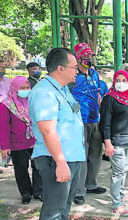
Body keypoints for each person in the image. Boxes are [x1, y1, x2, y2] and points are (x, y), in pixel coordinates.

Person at [29, 48, 86, 219]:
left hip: (72, 157)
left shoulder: (62, 89)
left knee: (63, 209)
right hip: (55, 159)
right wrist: (60, 162)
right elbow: (47, 130)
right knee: (54, 211)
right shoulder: (44, 92)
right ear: (60, 68)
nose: (77, 71)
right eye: (74, 67)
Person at [100, 70, 128, 214]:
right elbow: (105, 122)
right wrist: (107, 142)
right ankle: (116, 204)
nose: (121, 83)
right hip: (116, 142)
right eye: (117, 80)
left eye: (123, 80)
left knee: (124, 171)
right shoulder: (109, 98)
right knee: (118, 173)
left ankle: (121, 195)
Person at [71, 43, 106, 205]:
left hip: (95, 119)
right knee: (81, 156)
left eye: (90, 56)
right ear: (78, 57)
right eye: (84, 56)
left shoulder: (93, 73)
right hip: (79, 121)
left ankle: (91, 184)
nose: (88, 59)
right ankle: (78, 191)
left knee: (95, 153)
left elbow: (100, 91)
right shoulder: (72, 76)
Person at [0, 76, 42, 204]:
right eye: (22, 88)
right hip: (17, 143)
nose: (25, 90)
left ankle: (38, 191)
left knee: (39, 167)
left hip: (35, 141)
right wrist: (4, 147)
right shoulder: (5, 105)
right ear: (14, 89)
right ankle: (25, 193)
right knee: (21, 168)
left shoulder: (33, 101)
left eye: (27, 88)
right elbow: (3, 128)